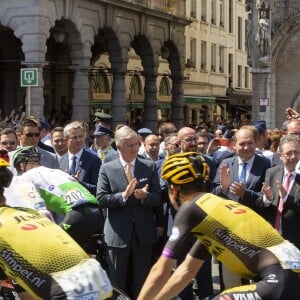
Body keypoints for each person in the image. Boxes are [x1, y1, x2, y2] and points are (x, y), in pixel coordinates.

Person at [138, 152, 300, 300]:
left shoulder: (191, 207)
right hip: (289, 278)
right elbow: (186, 271)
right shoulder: (215, 211)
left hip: (277, 280)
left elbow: (160, 270)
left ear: (173, 188)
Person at [0, 158, 113, 300]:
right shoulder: (54, 174)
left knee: (22, 279)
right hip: (99, 280)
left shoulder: (24, 180)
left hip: (63, 291)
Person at [97, 125, 161, 299]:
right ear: (118, 147)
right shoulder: (107, 168)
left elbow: (158, 198)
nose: (135, 148)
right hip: (118, 235)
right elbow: (101, 199)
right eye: (130, 145)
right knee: (117, 282)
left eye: (136, 144)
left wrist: (144, 196)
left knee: (141, 282)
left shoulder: (149, 166)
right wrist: (124, 196)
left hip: (143, 234)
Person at [11, 146, 104, 250]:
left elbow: (38, 210)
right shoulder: (57, 171)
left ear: (21, 165)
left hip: (77, 215)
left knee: (52, 251)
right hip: (97, 213)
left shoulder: (26, 177)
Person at [257, 134, 300, 248]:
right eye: (289, 153)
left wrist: (286, 198)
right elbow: (261, 202)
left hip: (296, 239)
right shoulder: (272, 172)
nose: (293, 156)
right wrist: (267, 199)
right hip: (273, 237)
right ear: (280, 155)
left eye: (296, 152)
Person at [59, 121, 101, 195]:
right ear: (66, 140)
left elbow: (98, 189)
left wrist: (79, 184)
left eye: (81, 136)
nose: (79, 140)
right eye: (74, 137)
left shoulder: (94, 160)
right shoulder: (60, 161)